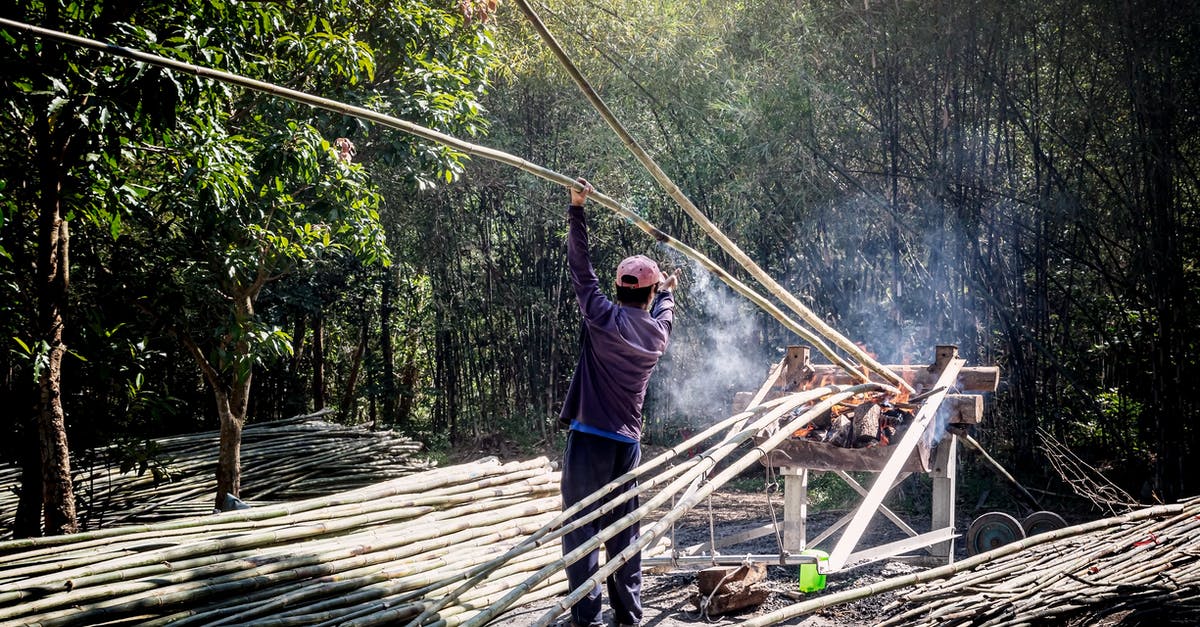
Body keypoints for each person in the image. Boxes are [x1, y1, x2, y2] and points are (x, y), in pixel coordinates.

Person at [558, 177, 679, 627]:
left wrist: (577, 209)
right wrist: (666, 289)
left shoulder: (603, 318)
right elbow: (665, 309)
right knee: (624, 528)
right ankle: (629, 615)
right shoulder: (657, 335)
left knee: (582, 527)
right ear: (647, 294)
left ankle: (587, 617)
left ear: (619, 288)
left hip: (589, 440)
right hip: (626, 446)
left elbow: (580, 270)